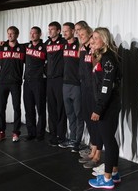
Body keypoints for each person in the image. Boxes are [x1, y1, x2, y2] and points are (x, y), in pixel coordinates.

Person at [88, 27, 122, 189]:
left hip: (108, 106)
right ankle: (114, 172)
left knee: (108, 141)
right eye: (92, 38)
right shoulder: (102, 57)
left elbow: (106, 87)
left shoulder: (108, 59)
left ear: (104, 39)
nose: (92, 41)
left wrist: (98, 109)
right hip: (106, 104)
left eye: (95, 38)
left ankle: (107, 179)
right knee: (110, 140)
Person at [0, 26, 25, 142]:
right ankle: (1, 132)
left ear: (17, 35)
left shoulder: (22, 49)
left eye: (12, 34)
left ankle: (16, 133)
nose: (10, 36)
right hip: (3, 82)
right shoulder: (1, 48)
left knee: (17, 107)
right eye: (8, 34)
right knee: (1, 108)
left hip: (15, 83)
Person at [77, 25, 102, 169]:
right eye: (79, 34)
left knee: (95, 122)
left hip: (93, 90)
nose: (80, 36)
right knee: (87, 118)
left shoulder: (94, 50)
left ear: (90, 33)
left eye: (82, 33)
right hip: (84, 88)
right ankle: (93, 149)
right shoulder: (82, 48)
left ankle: (97, 154)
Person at [58, 22, 84, 152]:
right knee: (70, 114)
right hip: (65, 84)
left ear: (73, 31)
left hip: (77, 85)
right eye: (63, 31)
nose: (64, 33)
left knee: (79, 114)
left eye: (66, 31)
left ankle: (77, 141)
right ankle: (72, 138)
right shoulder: (62, 45)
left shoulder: (80, 44)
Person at [45, 21, 68, 146]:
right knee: (51, 107)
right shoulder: (47, 43)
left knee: (61, 108)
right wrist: (4, 43)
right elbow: (31, 46)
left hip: (60, 79)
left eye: (52, 29)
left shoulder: (64, 42)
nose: (50, 31)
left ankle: (61, 135)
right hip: (49, 80)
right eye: (49, 29)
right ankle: (53, 134)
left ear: (58, 31)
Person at [23, 26, 47, 141]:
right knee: (29, 108)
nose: (32, 35)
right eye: (30, 33)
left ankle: (40, 133)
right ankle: (31, 132)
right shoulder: (26, 46)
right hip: (27, 82)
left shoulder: (44, 47)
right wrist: (3, 42)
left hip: (38, 82)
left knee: (40, 109)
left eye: (34, 33)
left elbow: (51, 61)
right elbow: (13, 45)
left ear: (39, 34)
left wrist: (43, 73)